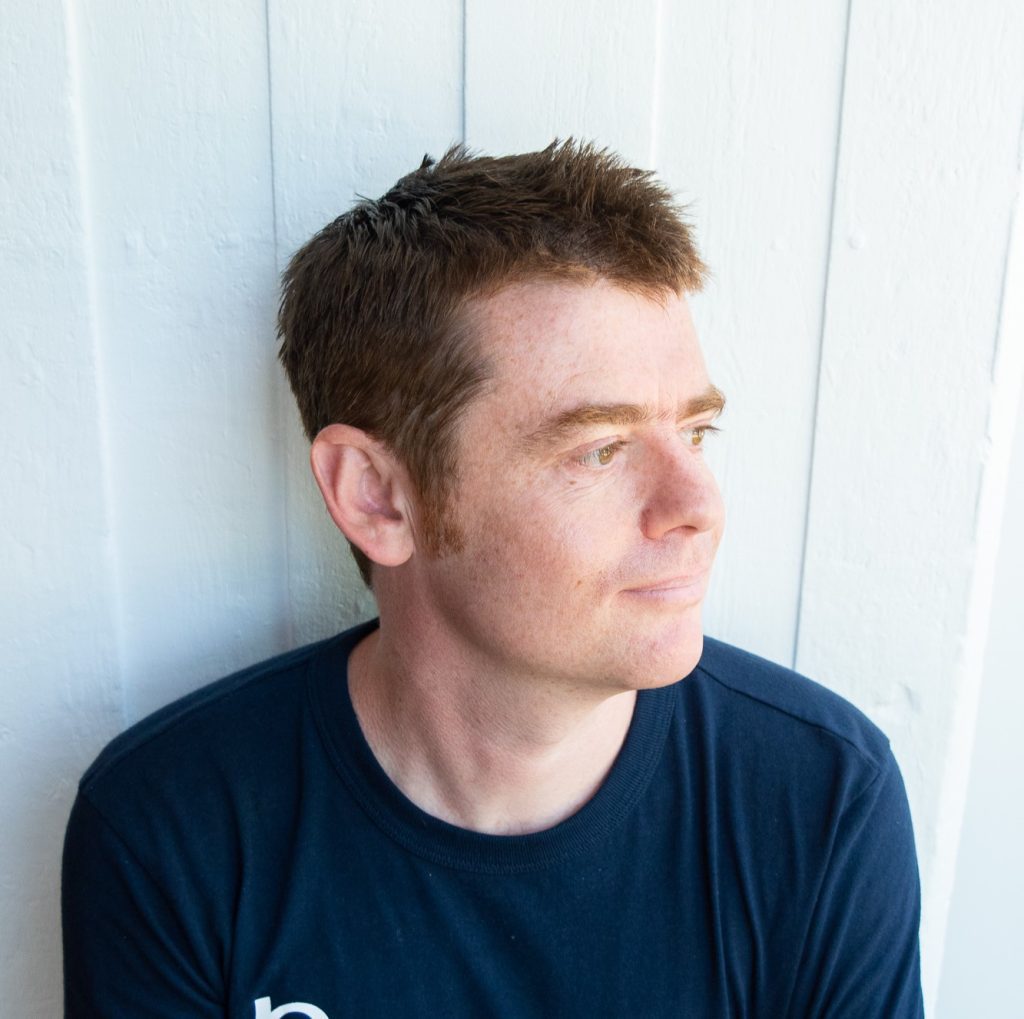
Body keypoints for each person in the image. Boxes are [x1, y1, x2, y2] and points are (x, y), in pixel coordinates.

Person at [62, 141, 924, 1017]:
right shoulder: (174, 830)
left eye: (696, 434)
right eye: (600, 447)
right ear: (379, 496)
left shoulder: (816, 798)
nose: (699, 505)